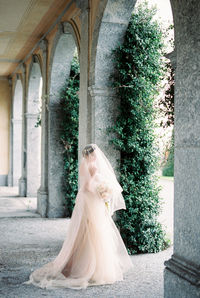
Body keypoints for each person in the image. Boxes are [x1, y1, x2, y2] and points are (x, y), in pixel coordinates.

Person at [24, 144, 133, 290]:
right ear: (89, 155)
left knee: (91, 233)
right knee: (90, 232)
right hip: (89, 201)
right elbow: (87, 187)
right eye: (93, 154)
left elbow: (90, 185)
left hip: (91, 201)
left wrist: (103, 191)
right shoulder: (88, 167)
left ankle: (90, 267)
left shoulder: (89, 165)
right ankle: (85, 268)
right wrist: (99, 188)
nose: (95, 156)